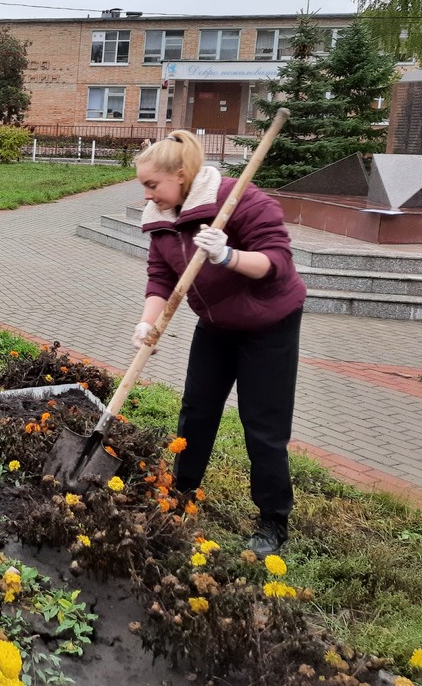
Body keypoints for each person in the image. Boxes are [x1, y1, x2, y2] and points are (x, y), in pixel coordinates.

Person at [132, 130, 306, 559]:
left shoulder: (243, 200)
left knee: (262, 425)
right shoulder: (163, 219)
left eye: (153, 185)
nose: (148, 195)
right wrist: (146, 324)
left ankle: (272, 520)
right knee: (196, 411)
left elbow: (277, 264)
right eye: (144, 186)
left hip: (269, 326)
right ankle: (182, 494)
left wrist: (229, 257)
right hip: (216, 324)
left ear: (182, 174)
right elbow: (161, 278)